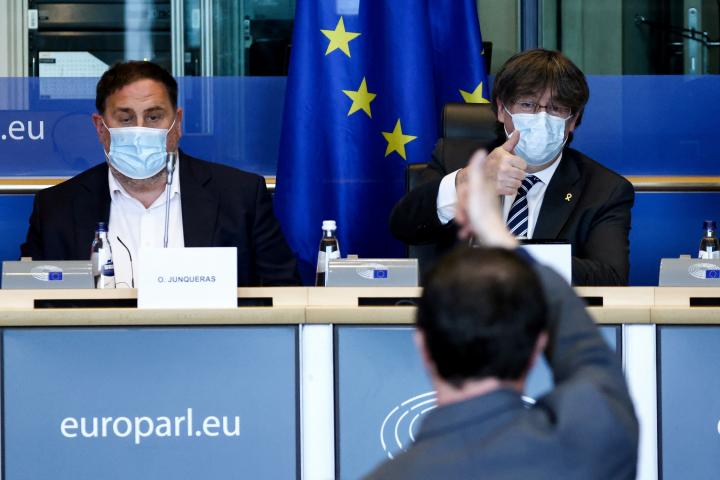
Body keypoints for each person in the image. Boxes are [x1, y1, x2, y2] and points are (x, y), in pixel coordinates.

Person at [366, 152, 639, 480]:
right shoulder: (592, 444)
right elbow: (593, 364)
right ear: (537, 348)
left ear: (422, 348)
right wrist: (503, 241)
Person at [20, 61, 299, 287]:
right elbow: (32, 300)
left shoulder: (240, 197)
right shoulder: (56, 207)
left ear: (177, 123)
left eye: (153, 117)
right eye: (126, 118)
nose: (140, 130)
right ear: (100, 127)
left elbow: (283, 293)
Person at [389, 49, 634, 286]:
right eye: (527, 104)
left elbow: (611, 277)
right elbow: (404, 226)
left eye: (556, 108)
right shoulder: (454, 159)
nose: (541, 118)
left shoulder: (604, 190)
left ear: (573, 120)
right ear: (501, 109)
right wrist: (469, 180)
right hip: (459, 308)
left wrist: (519, 260)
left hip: (546, 310)